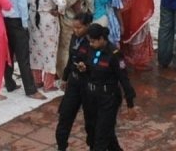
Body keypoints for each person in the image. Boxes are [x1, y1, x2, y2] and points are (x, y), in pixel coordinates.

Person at [54, 23, 138, 151]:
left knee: (101, 136)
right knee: (92, 130)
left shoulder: (114, 55)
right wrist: (84, 68)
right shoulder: (91, 49)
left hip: (108, 99)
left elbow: (124, 80)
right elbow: (90, 68)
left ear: (101, 39)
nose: (90, 44)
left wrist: (130, 104)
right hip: (91, 98)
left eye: (93, 41)